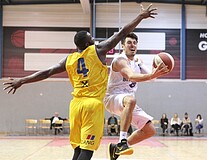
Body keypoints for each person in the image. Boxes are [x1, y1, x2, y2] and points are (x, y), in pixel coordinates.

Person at [3, 4, 163, 160]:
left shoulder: (70, 59)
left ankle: (122, 144)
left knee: (78, 149)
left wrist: (22, 80)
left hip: (75, 106)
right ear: (87, 44)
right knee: (87, 151)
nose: (94, 40)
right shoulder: (97, 51)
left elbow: (47, 72)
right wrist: (140, 17)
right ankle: (121, 142)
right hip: (92, 105)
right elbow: (122, 34)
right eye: (91, 38)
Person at [104, 16, 169, 160]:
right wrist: (152, 74)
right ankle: (121, 141)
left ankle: (116, 148)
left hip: (128, 101)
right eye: (129, 43)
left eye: (134, 43)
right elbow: (132, 76)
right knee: (131, 100)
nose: (132, 45)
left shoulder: (138, 61)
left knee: (149, 130)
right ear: (123, 46)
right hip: (113, 98)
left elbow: (153, 78)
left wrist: (154, 70)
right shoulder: (119, 60)